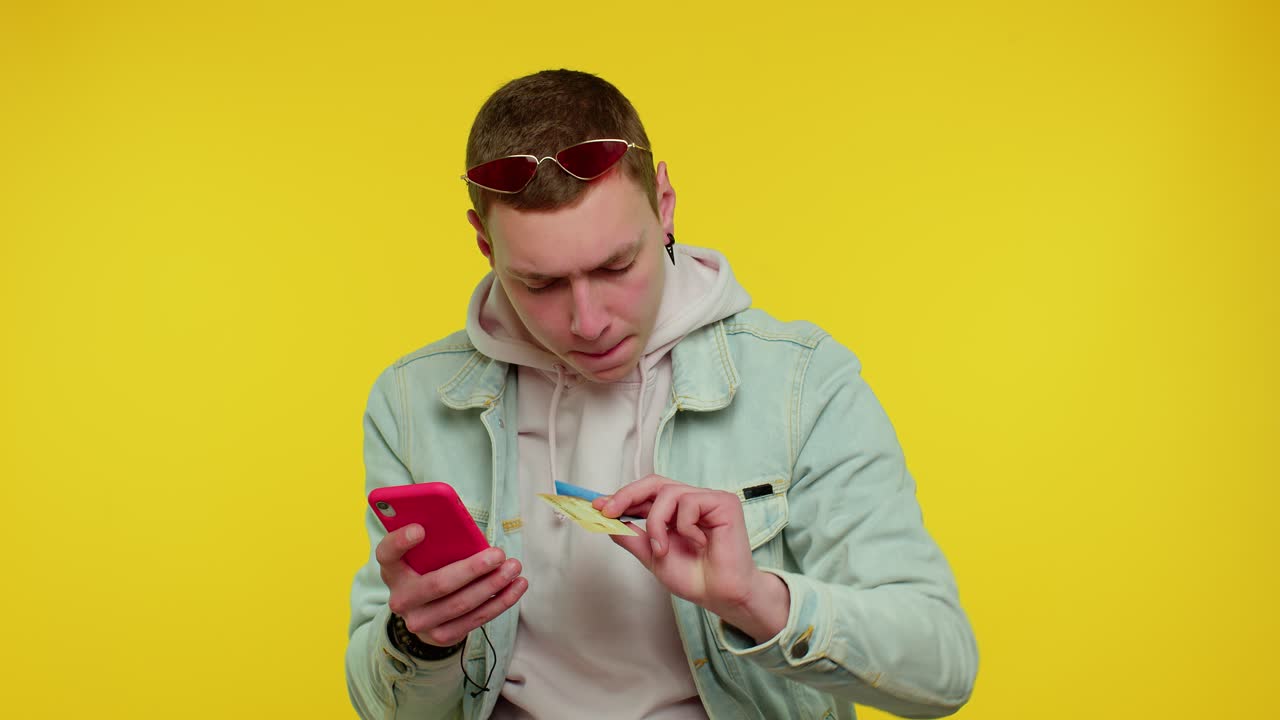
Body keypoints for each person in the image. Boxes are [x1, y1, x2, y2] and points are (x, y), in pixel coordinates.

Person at [345, 69, 978, 720]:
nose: (588, 321)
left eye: (616, 266)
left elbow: (941, 670)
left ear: (666, 204)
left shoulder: (801, 382)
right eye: (540, 284)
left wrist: (754, 600)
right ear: (485, 245)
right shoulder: (412, 400)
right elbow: (387, 709)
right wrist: (415, 640)